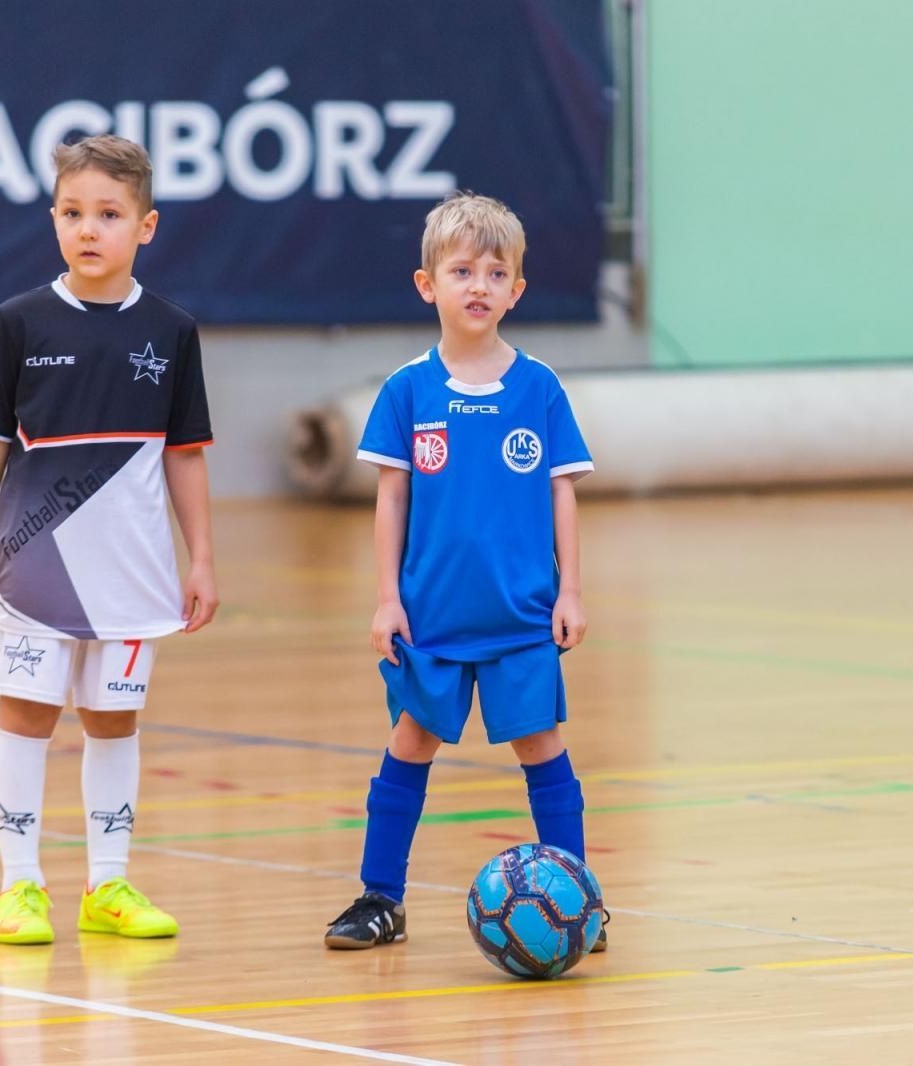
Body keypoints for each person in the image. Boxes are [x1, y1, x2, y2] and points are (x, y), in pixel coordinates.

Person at [0, 134, 217, 947]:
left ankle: (108, 883)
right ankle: (20, 886)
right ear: (54, 220)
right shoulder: (19, 322)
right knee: (25, 715)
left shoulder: (172, 331)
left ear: (146, 226)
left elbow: (185, 454)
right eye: (72, 213)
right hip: (31, 571)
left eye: (108, 214)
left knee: (113, 722)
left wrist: (201, 558)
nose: (88, 229)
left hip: (133, 575)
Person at [323, 191, 604, 951]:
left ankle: (576, 898)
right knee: (410, 743)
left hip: (522, 618)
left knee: (541, 747)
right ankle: (380, 898)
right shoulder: (406, 390)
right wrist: (387, 599)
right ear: (428, 285)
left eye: (495, 273)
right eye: (462, 271)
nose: (479, 285)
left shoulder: (539, 388)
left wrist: (570, 590)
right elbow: (391, 500)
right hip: (434, 619)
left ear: (517, 289)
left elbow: (563, 493)